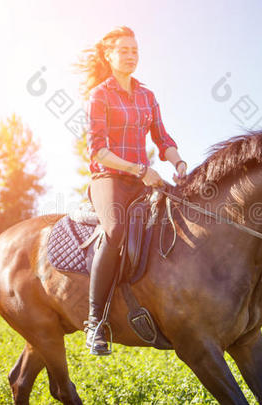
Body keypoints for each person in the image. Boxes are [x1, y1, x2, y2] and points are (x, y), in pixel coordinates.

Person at [76, 26, 187, 355]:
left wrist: (179, 163)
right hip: (108, 180)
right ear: (108, 56)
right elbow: (98, 151)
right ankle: (95, 322)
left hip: (143, 179)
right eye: (123, 50)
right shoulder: (100, 95)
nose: (130, 55)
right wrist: (141, 170)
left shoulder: (147, 96)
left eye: (134, 50)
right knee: (115, 229)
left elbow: (162, 139)